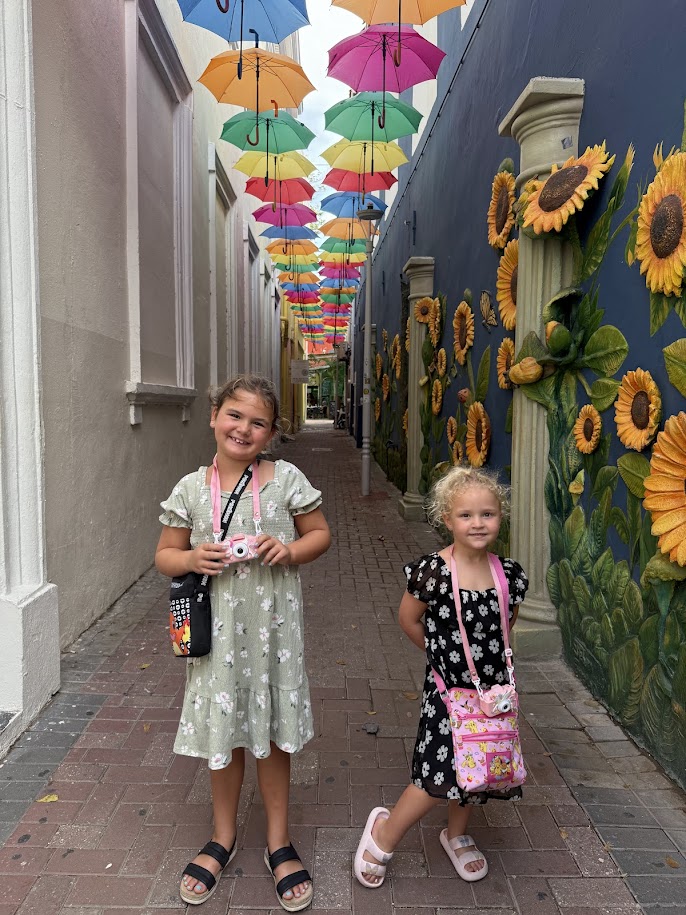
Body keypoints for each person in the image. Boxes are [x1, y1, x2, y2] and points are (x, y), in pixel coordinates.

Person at [156, 374, 331, 910]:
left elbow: (320, 534)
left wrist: (290, 550)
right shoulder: (190, 489)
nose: (243, 428)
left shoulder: (286, 479)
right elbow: (165, 555)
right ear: (214, 416)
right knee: (224, 734)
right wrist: (192, 558)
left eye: (258, 422)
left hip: (274, 642)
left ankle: (278, 840)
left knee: (273, 736)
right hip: (218, 643)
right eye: (234, 415)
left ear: (271, 433)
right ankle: (222, 837)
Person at [354, 466, 528, 888]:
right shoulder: (432, 573)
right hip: (447, 691)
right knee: (436, 772)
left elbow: (506, 625)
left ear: (500, 516)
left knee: (479, 763)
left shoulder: (509, 575)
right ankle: (383, 834)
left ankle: (457, 833)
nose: (477, 523)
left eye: (487, 514)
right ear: (447, 519)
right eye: (466, 515)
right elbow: (408, 619)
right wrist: (440, 658)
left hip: (491, 692)